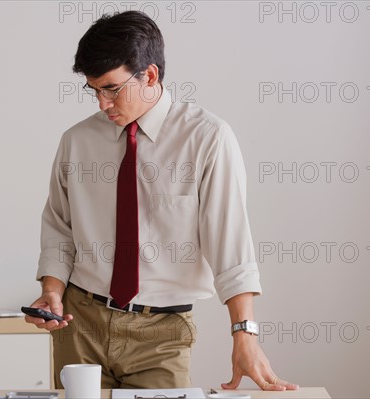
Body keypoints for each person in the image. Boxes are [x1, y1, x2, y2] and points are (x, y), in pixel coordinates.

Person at [25, 10, 298, 392]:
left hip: (161, 335)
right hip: (80, 325)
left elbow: (231, 245)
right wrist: (52, 292)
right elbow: (58, 227)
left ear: (149, 75)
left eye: (111, 88)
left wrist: (245, 334)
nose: (102, 103)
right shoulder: (78, 141)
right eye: (94, 90)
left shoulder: (207, 139)